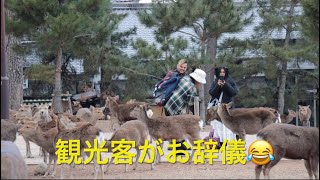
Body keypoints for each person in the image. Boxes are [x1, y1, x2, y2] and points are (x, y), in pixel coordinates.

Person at [164, 68, 206, 154]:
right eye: (200, 83)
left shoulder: (185, 79)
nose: (200, 84)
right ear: (197, 80)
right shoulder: (192, 87)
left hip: (168, 105)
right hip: (176, 109)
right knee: (178, 129)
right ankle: (178, 150)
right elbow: (190, 103)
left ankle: (180, 146)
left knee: (174, 128)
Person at [208, 67, 239, 145]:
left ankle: (229, 141)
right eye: (220, 72)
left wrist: (225, 85)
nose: (222, 74)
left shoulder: (230, 81)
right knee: (219, 125)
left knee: (228, 125)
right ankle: (219, 141)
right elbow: (211, 93)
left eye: (223, 72)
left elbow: (234, 92)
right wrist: (218, 86)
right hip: (217, 108)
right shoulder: (215, 81)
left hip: (228, 108)